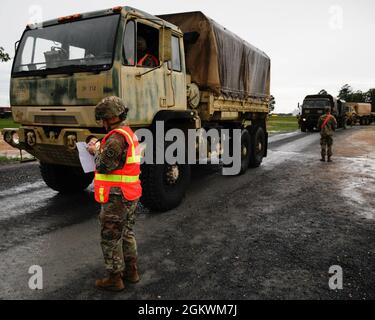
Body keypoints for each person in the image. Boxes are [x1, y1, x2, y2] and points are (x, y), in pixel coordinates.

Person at [87, 96, 142, 292]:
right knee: (126, 233)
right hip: (130, 194)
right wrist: (99, 144)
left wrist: (94, 151)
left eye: (102, 119)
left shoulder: (116, 138)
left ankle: (114, 278)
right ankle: (131, 272)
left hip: (117, 197)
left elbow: (104, 165)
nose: (101, 123)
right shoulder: (127, 133)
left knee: (110, 236)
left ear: (109, 118)